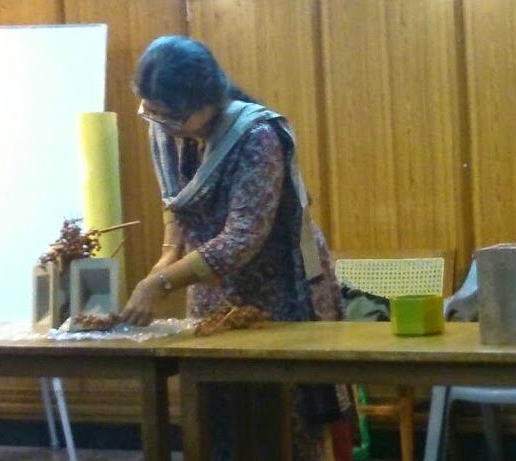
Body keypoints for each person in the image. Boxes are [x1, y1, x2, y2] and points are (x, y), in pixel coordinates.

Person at [120, 35, 353, 460]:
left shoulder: (256, 135)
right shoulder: (165, 130)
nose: (161, 124)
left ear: (207, 100)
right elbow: (176, 201)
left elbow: (242, 237)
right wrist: (167, 255)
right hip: (211, 291)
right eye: (150, 112)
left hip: (279, 292)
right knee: (216, 421)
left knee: (281, 429)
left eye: (171, 116)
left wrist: (162, 283)